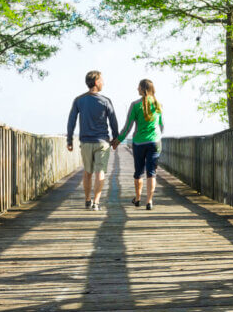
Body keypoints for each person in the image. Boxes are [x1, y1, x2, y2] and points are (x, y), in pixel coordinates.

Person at [67, 70, 119, 211]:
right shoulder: (105, 101)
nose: (103, 82)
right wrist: (116, 139)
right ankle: (96, 202)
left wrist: (69, 140)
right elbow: (113, 121)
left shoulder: (79, 100)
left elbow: (71, 121)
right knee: (100, 171)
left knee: (87, 172)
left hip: (86, 142)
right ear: (96, 82)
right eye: (102, 80)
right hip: (102, 142)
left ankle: (87, 200)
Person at [113, 79, 164, 210]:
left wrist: (118, 140)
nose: (137, 89)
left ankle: (138, 199)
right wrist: (157, 136)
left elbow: (128, 127)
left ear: (143, 89)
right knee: (151, 172)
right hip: (155, 142)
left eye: (138, 87)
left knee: (139, 172)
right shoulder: (158, 104)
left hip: (139, 143)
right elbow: (161, 125)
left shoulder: (135, 105)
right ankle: (149, 201)